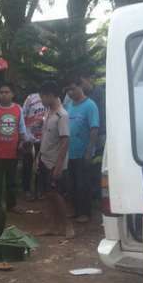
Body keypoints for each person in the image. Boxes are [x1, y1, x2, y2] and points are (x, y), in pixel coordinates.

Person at [35, 81, 74, 238]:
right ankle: (52, 226)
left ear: (50, 95)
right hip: (44, 159)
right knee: (48, 194)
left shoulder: (62, 115)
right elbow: (45, 136)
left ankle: (67, 225)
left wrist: (59, 166)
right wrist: (38, 157)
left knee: (56, 194)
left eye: (43, 97)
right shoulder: (48, 112)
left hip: (54, 162)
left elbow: (65, 141)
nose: (42, 100)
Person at [0, 82, 26, 213]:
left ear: (12, 94)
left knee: (11, 181)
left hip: (12, 153)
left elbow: (22, 129)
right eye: (1, 92)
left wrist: (22, 143)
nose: (3, 95)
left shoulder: (18, 109)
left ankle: (11, 205)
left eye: (6, 92)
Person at [65, 76, 100, 223]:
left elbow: (94, 128)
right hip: (69, 152)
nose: (71, 92)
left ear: (81, 87)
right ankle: (75, 210)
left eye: (73, 89)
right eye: (68, 90)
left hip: (83, 152)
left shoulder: (90, 105)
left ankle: (85, 213)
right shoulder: (69, 105)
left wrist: (89, 150)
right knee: (71, 184)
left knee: (83, 184)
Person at [79, 72, 106, 200]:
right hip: (87, 135)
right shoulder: (81, 96)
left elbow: (99, 116)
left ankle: (97, 193)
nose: (80, 86)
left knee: (98, 163)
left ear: (89, 79)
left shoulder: (99, 93)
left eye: (82, 82)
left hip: (100, 133)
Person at [20, 90, 47, 201]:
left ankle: (39, 191)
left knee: (41, 165)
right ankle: (26, 190)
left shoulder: (52, 99)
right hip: (29, 137)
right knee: (27, 164)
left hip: (44, 138)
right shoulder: (31, 98)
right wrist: (24, 136)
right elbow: (23, 115)